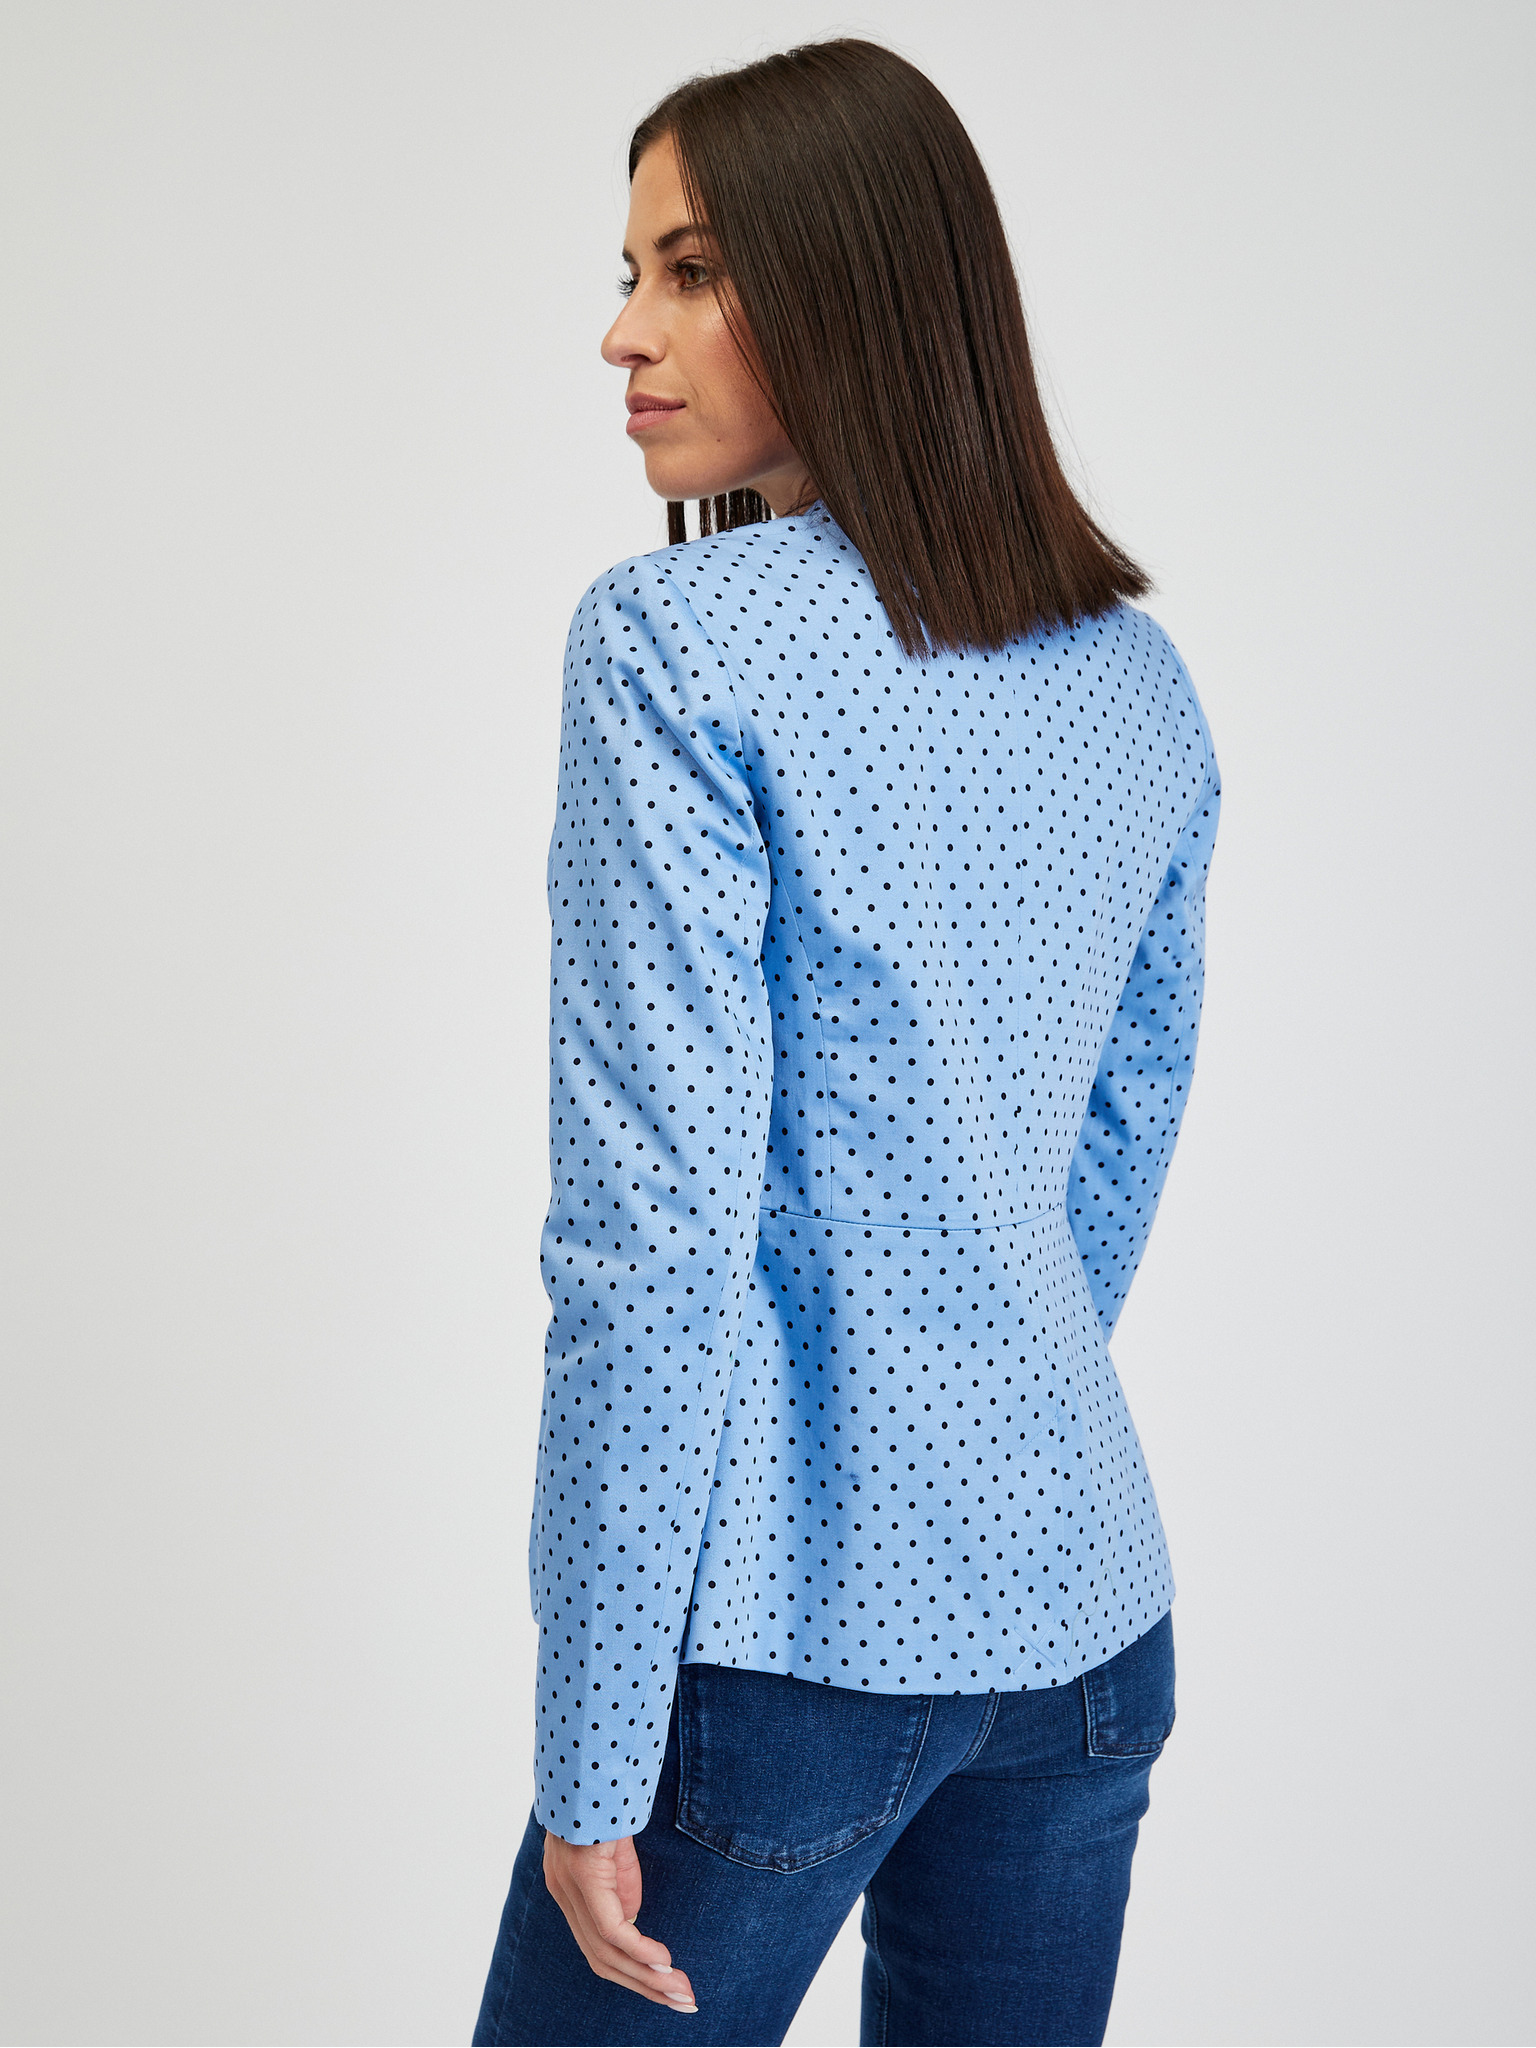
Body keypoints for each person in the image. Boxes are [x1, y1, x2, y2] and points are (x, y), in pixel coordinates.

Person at [473, 37, 1220, 2048]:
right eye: (632, 270)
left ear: (854, 281)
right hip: (1082, 1619)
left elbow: (648, 1238)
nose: (623, 333)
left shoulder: (672, 643)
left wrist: (592, 1746)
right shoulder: (1139, 676)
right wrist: (972, 1401)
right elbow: (1117, 1140)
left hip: (780, 1654)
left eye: (694, 270)